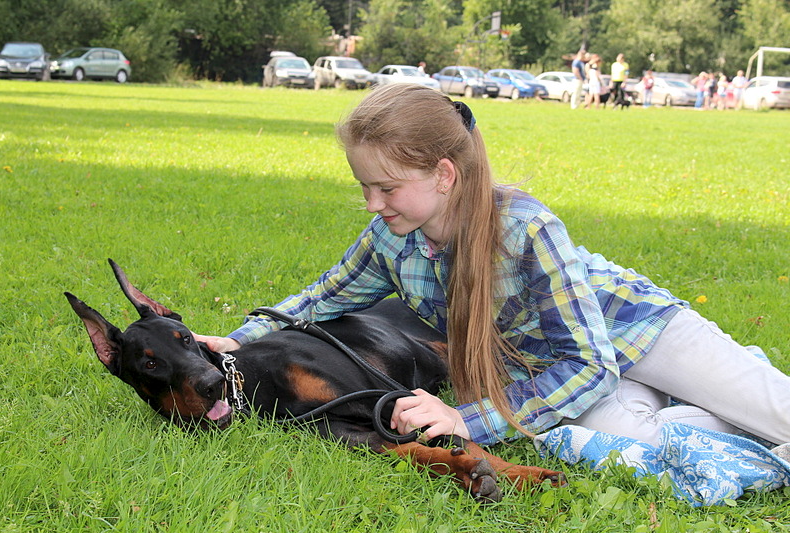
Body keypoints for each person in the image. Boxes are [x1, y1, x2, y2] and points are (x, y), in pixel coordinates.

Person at [195, 84, 790, 452]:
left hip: (640, 332)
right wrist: (239, 338)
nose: (374, 204)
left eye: (386, 187)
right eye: (364, 188)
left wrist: (466, 418)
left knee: (779, 414)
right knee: (633, 442)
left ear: (444, 175)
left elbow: (587, 361)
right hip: (562, 369)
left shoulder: (526, 229)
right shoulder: (391, 239)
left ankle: (702, 392)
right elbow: (323, 298)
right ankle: (682, 405)